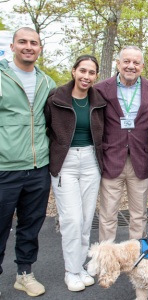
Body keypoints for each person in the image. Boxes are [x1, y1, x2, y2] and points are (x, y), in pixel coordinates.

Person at [0, 27, 56, 297]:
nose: (28, 46)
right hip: (5, 167)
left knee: (30, 224)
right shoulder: (1, 77)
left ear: (40, 49)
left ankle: (24, 273)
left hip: (38, 168)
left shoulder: (47, 82)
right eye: (22, 42)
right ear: (12, 46)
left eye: (34, 43)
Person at [44, 55, 106, 292]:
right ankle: (71, 271)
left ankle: (80, 267)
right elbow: (47, 126)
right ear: (73, 71)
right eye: (82, 71)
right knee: (71, 219)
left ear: (96, 76)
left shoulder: (99, 101)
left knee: (86, 220)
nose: (86, 76)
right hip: (65, 163)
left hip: (91, 162)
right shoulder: (56, 98)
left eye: (91, 73)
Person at [94, 46, 148, 241]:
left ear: (142, 66)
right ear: (118, 63)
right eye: (126, 61)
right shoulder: (100, 89)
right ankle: (107, 261)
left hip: (140, 160)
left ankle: (136, 260)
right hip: (111, 159)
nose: (131, 66)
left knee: (139, 215)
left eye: (136, 62)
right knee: (107, 215)